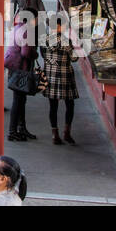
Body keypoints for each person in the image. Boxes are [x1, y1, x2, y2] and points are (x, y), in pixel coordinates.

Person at [7, 0, 41, 143]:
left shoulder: (18, 27)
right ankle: (13, 131)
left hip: (14, 67)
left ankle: (21, 128)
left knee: (21, 99)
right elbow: (26, 52)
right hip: (21, 68)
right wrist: (36, 54)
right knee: (18, 100)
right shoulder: (27, 31)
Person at [41, 15, 78, 145]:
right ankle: (67, 133)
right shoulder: (65, 41)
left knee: (53, 107)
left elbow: (44, 56)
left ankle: (54, 134)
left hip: (50, 77)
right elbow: (74, 58)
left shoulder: (44, 40)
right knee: (70, 105)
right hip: (64, 77)